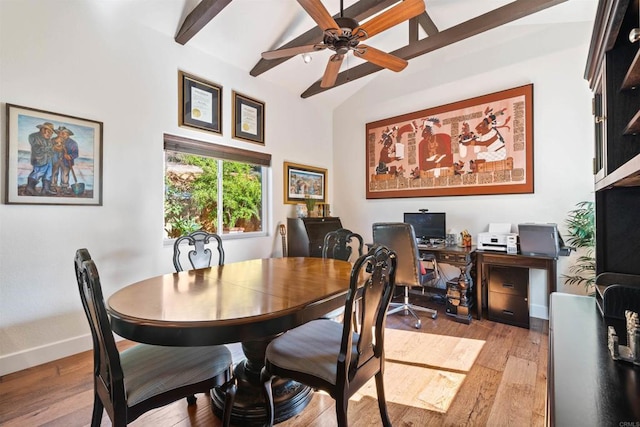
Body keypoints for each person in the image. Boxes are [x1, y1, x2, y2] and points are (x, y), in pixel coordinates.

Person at [25, 122, 55, 196]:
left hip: (49, 159)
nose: (50, 134)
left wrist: (52, 150)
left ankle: (46, 190)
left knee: (48, 174)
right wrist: (49, 148)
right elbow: (37, 148)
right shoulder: (33, 136)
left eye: (51, 133)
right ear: (43, 130)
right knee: (38, 173)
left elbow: (51, 150)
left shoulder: (49, 139)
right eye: (49, 132)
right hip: (39, 159)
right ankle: (30, 188)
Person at [51, 126, 79, 194]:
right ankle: (52, 186)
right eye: (59, 133)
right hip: (55, 160)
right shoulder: (53, 140)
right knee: (54, 173)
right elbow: (49, 149)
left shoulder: (72, 143)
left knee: (65, 174)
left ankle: (64, 187)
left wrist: (70, 156)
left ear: (68, 134)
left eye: (63, 133)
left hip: (66, 161)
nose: (61, 134)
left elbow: (76, 153)